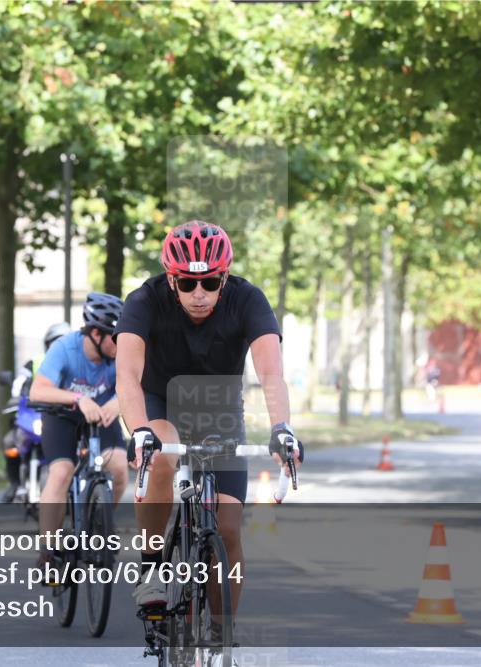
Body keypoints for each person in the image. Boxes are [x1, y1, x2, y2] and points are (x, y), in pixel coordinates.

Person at [114, 220, 304, 639]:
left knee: (229, 527)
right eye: (186, 284)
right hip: (159, 402)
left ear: (225, 276)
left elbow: (271, 375)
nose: (199, 294)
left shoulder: (248, 299)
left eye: (211, 282)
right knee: (163, 452)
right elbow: (127, 375)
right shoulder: (143, 300)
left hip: (218, 410)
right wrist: (139, 429)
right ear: (170, 278)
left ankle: (221, 631)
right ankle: (152, 565)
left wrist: (282, 428)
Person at [29, 293, 127, 567]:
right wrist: (78, 399)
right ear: (95, 333)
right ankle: (49, 550)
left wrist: (118, 403)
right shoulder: (65, 348)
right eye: (114, 337)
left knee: (119, 466)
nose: (120, 344)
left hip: (101, 417)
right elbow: (38, 390)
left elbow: (135, 385)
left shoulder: (120, 354)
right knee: (61, 472)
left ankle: (100, 525)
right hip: (63, 416)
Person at [1, 321, 73, 503]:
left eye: (64, 342)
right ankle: (14, 484)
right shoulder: (34, 362)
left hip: (63, 415)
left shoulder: (74, 363)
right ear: (48, 344)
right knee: (10, 442)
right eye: (55, 342)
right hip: (33, 414)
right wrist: (16, 398)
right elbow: (19, 383)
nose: (59, 347)